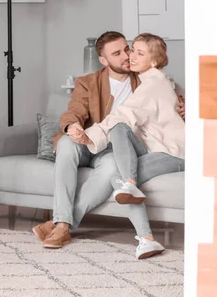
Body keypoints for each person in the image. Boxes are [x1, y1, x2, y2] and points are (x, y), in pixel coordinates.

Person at [31, 31, 185, 254]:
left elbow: (166, 99)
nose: (126, 56)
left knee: (115, 168)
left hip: (115, 148)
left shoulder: (142, 79)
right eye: (118, 53)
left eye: (128, 49)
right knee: (66, 143)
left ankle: (61, 225)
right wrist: (72, 128)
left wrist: (185, 105)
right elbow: (73, 112)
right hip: (87, 142)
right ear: (103, 60)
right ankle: (63, 221)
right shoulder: (89, 82)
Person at [78, 33, 185, 259]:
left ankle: (146, 238)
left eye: (139, 53)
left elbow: (126, 112)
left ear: (154, 61)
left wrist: (91, 135)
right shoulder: (150, 82)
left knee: (117, 175)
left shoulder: (153, 84)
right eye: (132, 50)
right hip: (156, 147)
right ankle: (131, 188)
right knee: (119, 129)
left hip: (173, 152)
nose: (131, 56)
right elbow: (124, 120)